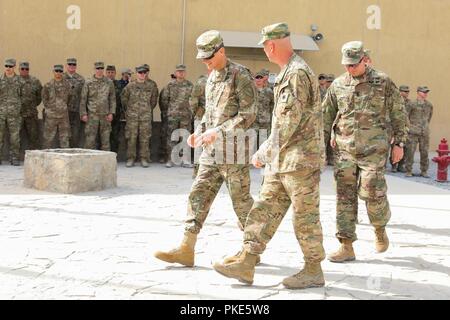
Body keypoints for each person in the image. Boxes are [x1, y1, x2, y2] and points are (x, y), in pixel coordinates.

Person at [213, 23, 326, 289]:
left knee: (305, 216)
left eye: (264, 46)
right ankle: (247, 260)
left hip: (300, 161)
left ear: (272, 45)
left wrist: (265, 151)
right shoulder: (288, 71)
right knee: (263, 208)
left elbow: (288, 122)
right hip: (284, 160)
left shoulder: (297, 73)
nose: (264, 51)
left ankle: (313, 269)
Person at [154, 30, 256, 268]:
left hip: (233, 152)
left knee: (241, 203)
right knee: (198, 194)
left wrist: (217, 132)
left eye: (209, 57)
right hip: (211, 152)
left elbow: (249, 115)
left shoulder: (240, 75)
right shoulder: (210, 78)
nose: (205, 62)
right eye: (203, 59)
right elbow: (208, 113)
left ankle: (251, 251)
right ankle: (186, 248)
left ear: (221, 51)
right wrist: (199, 131)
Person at [323, 41, 408, 263]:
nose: (349, 69)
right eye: (346, 65)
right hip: (343, 150)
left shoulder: (383, 82)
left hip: (374, 150)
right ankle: (346, 245)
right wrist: (317, 146)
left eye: (354, 65)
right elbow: (325, 116)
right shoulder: (338, 85)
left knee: (372, 191)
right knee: (345, 198)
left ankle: (379, 228)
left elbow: (399, 113)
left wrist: (399, 143)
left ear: (365, 60)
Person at [121, 65, 158, 167]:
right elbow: (124, 100)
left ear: (146, 74)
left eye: (144, 73)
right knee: (131, 138)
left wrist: (146, 110)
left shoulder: (151, 86)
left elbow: (153, 101)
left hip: (145, 117)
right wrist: (130, 111)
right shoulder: (130, 86)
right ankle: (130, 158)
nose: (142, 74)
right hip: (132, 117)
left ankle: (144, 158)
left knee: (144, 138)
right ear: (136, 73)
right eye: (140, 73)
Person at [159, 64, 193, 168]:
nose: (181, 73)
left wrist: (191, 111)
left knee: (186, 137)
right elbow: (163, 100)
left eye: (183, 71)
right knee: (171, 137)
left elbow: (194, 100)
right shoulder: (169, 85)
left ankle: (185, 160)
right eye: (179, 71)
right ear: (175, 73)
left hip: (185, 116)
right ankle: (170, 159)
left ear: (185, 73)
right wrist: (167, 112)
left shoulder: (190, 85)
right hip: (172, 115)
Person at [80, 62, 116, 150]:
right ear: (94, 69)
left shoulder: (109, 82)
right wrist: (83, 113)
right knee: (90, 139)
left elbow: (112, 99)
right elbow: (83, 99)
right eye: (97, 68)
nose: (99, 70)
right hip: (92, 115)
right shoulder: (88, 82)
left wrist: (111, 113)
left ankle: (105, 161)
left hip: (105, 115)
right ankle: (88, 160)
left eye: (101, 69)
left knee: (105, 140)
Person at [405, 86, 433, 178]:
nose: (425, 93)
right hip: (413, 132)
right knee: (410, 152)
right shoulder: (411, 104)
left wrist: (425, 127)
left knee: (424, 152)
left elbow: (429, 117)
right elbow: (406, 117)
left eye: (426, 92)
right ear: (418, 92)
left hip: (424, 132)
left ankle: (424, 171)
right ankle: (408, 170)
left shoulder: (429, 105)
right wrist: (410, 128)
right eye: (423, 92)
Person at [41, 65, 71, 149]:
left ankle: (65, 158)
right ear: (53, 71)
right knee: (48, 138)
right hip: (51, 116)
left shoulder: (67, 85)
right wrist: (50, 108)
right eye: (56, 71)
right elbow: (44, 98)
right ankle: (46, 157)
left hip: (63, 116)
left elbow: (70, 98)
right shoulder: (48, 85)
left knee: (64, 138)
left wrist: (63, 107)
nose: (58, 73)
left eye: (60, 71)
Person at [0, 59, 23, 165]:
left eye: (10, 66)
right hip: (1, 112)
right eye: (6, 66)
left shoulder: (20, 81)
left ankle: (14, 157)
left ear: (14, 67)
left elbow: (25, 97)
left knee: (15, 136)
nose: (8, 68)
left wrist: (18, 108)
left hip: (14, 114)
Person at [189, 69, 210, 178]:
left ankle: (209, 172)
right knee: (198, 145)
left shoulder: (223, 81)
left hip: (217, 119)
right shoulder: (202, 81)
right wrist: (197, 113)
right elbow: (193, 99)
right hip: (202, 118)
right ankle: (197, 171)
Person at [19, 62, 42, 150]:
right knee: (16, 137)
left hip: (31, 114)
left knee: (33, 136)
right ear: (19, 69)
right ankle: (15, 157)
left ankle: (34, 156)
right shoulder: (15, 81)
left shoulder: (35, 81)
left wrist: (32, 105)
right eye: (22, 69)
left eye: (26, 69)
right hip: (18, 114)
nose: (24, 70)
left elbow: (40, 97)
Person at [63, 58, 85, 148]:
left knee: (76, 133)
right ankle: (65, 153)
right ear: (66, 66)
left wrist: (83, 111)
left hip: (76, 110)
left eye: (74, 65)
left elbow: (84, 96)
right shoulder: (61, 77)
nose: (72, 66)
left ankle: (74, 151)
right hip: (64, 110)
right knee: (64, 133)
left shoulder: (81, 79)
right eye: (70, 64)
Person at [110, 68, 131, 154]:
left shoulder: (118, 84)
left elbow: (125, 93)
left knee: (115, 135)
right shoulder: (104, 83)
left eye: (112, 72)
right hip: (103, 113)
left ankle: (114, 154)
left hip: (116, 113)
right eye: (108, 72)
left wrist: (129, 81)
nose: (110, 74)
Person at [391, 85, 411, 172]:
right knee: (395, 146)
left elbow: (410, 115)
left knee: (405, 147)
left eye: (407, 92)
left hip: (405, 127)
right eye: (404, 91)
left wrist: (408, 126)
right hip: (395, 127)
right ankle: (394, 165)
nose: (406, 93)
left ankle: (401, 165)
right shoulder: (394, 101)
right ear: (400, 92)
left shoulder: (410, 103)